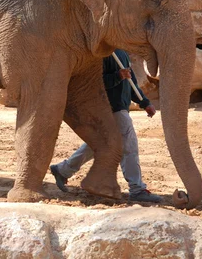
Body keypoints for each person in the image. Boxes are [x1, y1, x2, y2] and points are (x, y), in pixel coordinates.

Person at [50, 49, 162, 203]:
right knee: (129, 147)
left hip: (119, 108)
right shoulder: (102, 54)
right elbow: (94, 83)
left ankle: (63, 170)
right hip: (110, 109)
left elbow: (131, 83)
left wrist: (145, 102)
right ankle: (137, 189)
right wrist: (118, 76)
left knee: (99, 145)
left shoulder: (121, 53)